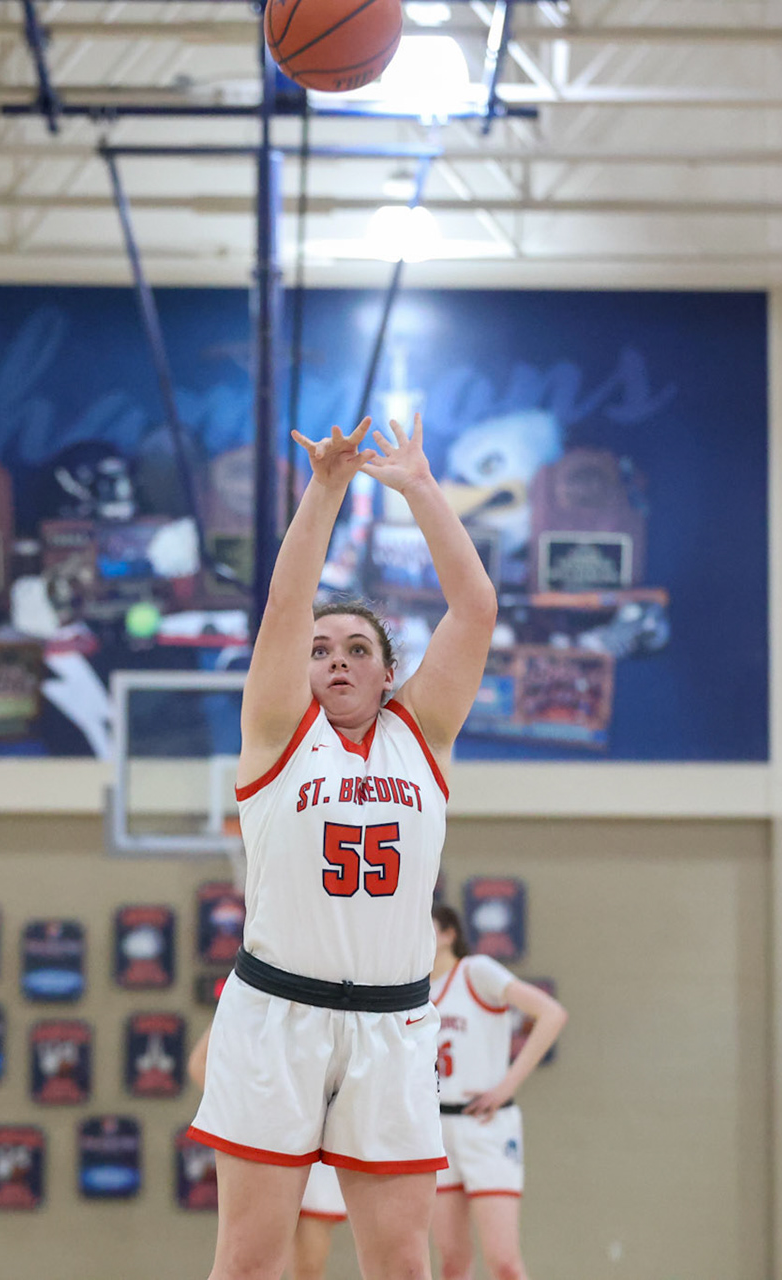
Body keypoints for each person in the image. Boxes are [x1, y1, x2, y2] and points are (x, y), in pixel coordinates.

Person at [189, 414, 497, 1280]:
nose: (334, 660)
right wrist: (324, 489)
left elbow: (475, 609)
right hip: (276, 1015)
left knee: (402, 1265)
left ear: (387, 671)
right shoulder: (279, 732)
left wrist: (421, 489)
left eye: (357, 648)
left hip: (393, 1023)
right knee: (249, 1263)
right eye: (319, 649)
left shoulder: (423, 734)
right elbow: (289, 605)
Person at [427, 905, 568, 1280]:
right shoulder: (414, 990)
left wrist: (507, 1085)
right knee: (452, 1264)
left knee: (503, 1262)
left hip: (486, 1125)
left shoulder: (476, 972)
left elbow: (552, 1013)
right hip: (436, 1129)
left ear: (448, 934)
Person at [190, 1025, 348, 1280]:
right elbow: (200, 1063)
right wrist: (250, 1111)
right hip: (268, 1138)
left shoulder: (341, 1005)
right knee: (246, 1261)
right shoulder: (252, 995)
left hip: (318, 1143)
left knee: (310, 1263)